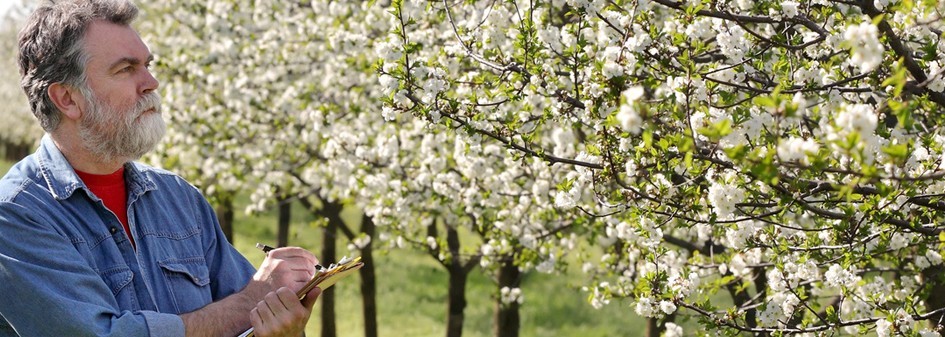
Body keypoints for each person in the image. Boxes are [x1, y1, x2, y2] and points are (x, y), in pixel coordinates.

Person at [0, 0, 321, 336]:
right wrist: (248, 304)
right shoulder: (16, 216)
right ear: (67, 99)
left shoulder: (180, 199)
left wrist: (279, 326)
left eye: (147, 65)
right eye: (126, 69)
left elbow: (252, 322)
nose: (150, 82)